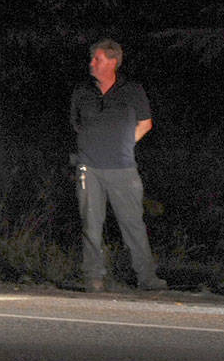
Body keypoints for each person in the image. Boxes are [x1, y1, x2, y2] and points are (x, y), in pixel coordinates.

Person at [69, 39, 166, 292]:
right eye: (92, 58)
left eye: (97, 59)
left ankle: (146, 277)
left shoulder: (132, 90)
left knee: (132, 224)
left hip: (122, 168)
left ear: (113, 62)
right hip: (89, 167)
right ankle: (93, 277)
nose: (91, 63)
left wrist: (123, 145)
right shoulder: (82, 91)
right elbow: (76, 124)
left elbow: (145, 123)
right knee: (91, 224)